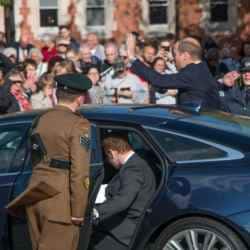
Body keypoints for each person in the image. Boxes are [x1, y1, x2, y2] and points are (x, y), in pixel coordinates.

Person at [6, 73, 92, 250]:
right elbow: (80, 169)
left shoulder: (40, 120)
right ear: (80, 98)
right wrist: (78, 210)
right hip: (61, 202)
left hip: (36, 194)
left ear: (56, 94)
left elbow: (35, 157)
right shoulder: (79, 125)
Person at [91, 134, 156, 250]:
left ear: (112, 153)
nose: (108, 161)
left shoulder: (133, 168)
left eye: (107, 157)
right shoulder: (136, 162)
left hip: (121, 232)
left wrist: (97, 212)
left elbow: (124, 200)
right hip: (122, 224)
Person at [127, 34, 221, 110]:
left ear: (185, 56)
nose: (173, 58)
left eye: (175, 55)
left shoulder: (192, 73)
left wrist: (132, 58)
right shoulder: (200, 69)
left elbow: (159, 80)